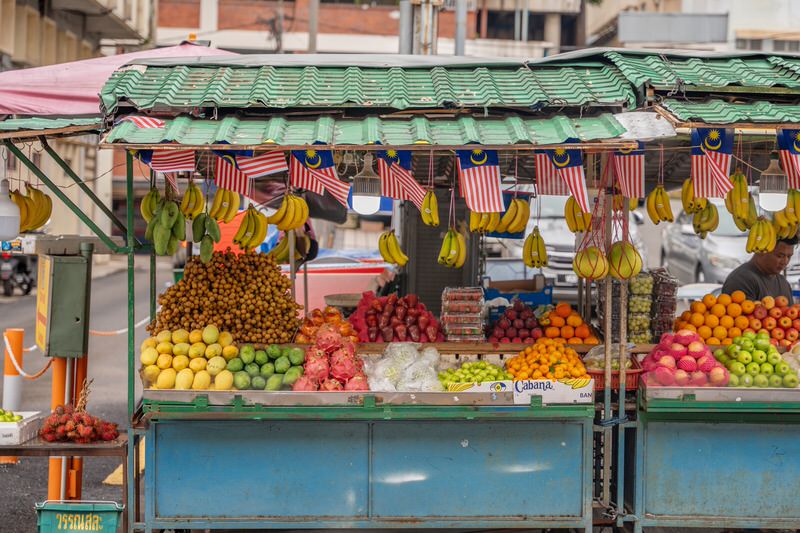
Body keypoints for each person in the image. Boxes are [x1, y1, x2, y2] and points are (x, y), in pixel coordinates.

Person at [721, 235, 797, 302]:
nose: (785, 261)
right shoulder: (741, 280)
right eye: (780, 256)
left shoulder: (783, 282)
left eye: (789, 256)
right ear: (762, 251)